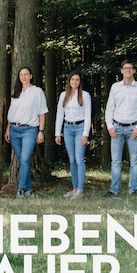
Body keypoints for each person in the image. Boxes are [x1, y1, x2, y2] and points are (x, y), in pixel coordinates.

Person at [104, 60, 137, 197]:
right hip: (117, 128)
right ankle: (114, 190)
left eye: (131, 68)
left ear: (134, 71)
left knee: (134, 161)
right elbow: (109, 108)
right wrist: (110, 127)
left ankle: (133, 190)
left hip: (133, 129)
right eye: (125, 68)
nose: (128, 70)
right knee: (116, 161)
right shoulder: (115, 87)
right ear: (121, 71)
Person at [5, 67, 48, 198]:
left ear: (31, 76)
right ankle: (29, 190)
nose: (23, 77)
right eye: (21, 75)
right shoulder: (16, 92)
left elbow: (42, 113)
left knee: (24, 159)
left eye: (26, 74)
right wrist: (8, 129)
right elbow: (12, 112)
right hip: (14, 130)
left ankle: (20, 190)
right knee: (22, 161)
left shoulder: (37, 91)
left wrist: (41, 131)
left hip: (29, 130)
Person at [54, 72, 91, 200]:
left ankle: (80, 190)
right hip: (68, 128)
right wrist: (57, 133)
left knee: (79, 158)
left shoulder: (85, 95)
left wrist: (85, 134)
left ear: (80, 82)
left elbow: (88, 115)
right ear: (69, 81)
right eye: (72, 79)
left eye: (77, 80)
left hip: (80, 128)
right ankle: (74, 188)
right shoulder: (64, 95)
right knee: (72, 160)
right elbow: (59, 115)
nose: (74, 82)